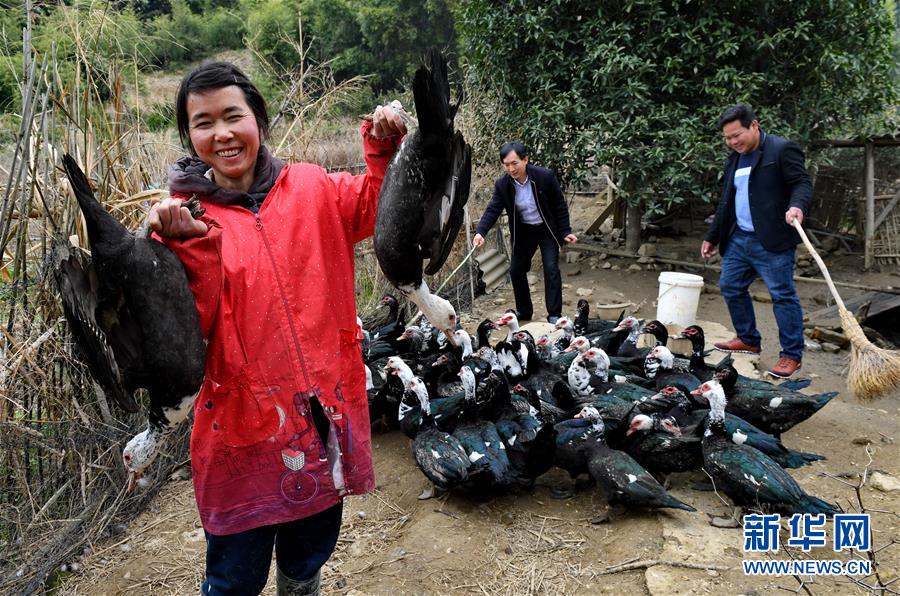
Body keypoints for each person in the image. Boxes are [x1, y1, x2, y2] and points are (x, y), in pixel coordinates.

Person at [146, 61, 405, 595]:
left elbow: (382, 212)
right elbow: (185, 332)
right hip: (240, 426)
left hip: (321, 412)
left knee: (311, 546)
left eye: (232, 115)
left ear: (258, 119)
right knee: (234, 573)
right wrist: (182, 247)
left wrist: (382, 152)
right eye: (202, 123)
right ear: (189, 136)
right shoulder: (185, 223)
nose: (221, 133)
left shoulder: (312, 187)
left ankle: (299, 585)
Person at [701, 103, 812, 379]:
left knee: (782, 296)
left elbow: (801, 183)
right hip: (739, 238)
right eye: (727, 138)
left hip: (772, 240)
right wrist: (712, 236)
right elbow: (726, 201)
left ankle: (791, 355)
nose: (732, 142)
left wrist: (797, 206)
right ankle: (748, 339)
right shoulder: (735, 158)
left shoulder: (781, 149)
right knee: (730, 285)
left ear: (754, 125)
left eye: (736, 135)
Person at [472, 141, 577, 324]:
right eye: (506, 165)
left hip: (547, 230)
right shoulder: (503, 185)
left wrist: (565, 231)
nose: (511, 168)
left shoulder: (545, 177)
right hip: (524, 232)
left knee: (551, 269)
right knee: (516, 270)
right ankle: (524, 311)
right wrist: (481, 232)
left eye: (515, 163)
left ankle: (554, 314)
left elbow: (559, 205)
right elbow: (492, 210)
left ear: (525, 160)